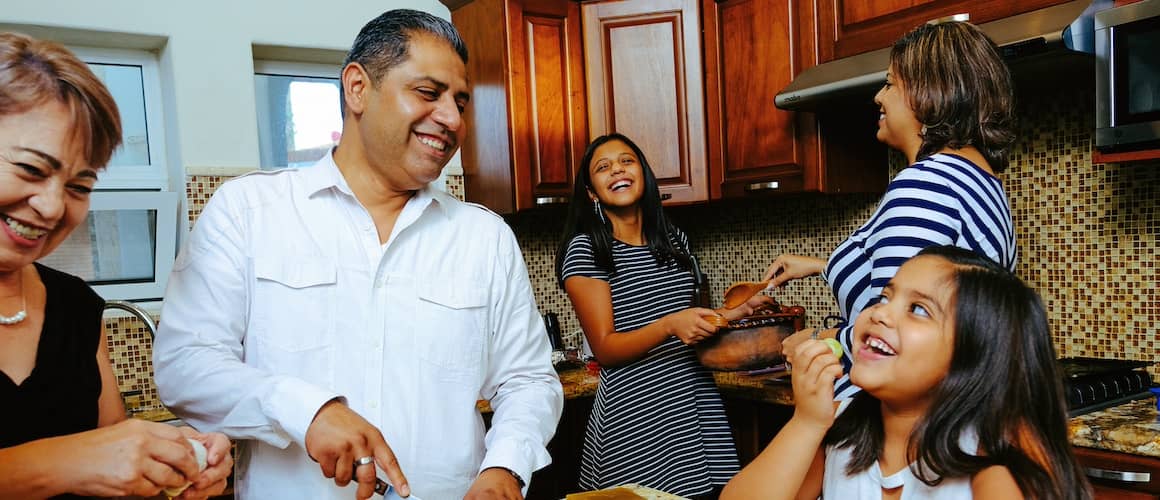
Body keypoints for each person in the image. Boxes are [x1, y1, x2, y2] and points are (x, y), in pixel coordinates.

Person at [152, 9, 564, 500]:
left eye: (460, 101)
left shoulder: (484, 238)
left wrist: (505, 468)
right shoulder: (249, 212)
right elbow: (185, 365)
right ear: (357, 89)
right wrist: (307, 410)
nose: (452, 119)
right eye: (428, 93)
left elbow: (528, 380)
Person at [0, 32, 232, 499]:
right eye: (30, 169)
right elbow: (84, 459)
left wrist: (168, 468)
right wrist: (64, 462)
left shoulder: (77, 308)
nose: (50, 206)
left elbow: (109, 459)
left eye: (78, 186)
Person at [763, 21, 1019, 400]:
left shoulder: (927, 182)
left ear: (926, 93)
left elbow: (891, 333)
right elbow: (933, 290)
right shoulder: (979, 180)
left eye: (889, 84)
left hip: (899, 423)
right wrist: (824, 265)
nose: (878, 98)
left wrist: (818, 340)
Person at [725, 246, 1092, 499]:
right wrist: (805, 423)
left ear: (973, 353)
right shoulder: (840, 430)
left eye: (918, 309)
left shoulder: (992, 452)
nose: (879, 313)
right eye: (885, 297)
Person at [555, 133, 770, 498]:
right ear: (591, 192)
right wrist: (670, 325)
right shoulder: (586, 248)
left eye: (626, 161)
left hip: (693, 402)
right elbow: (605, 349)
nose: (617, 170)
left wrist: (736, 313)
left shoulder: (673, 240)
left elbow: (687, 319)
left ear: (643, 173)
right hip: (636, 413)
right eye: (603, 168)